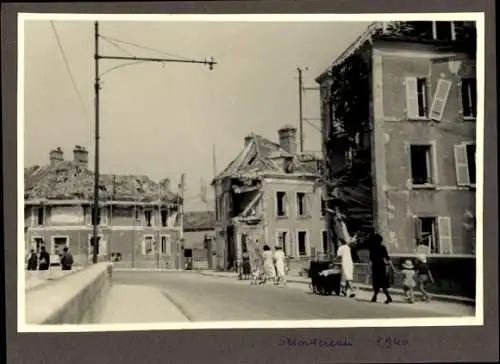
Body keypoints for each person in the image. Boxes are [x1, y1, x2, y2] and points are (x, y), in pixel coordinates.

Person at [368, 233, 393, 304]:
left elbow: (371, 259)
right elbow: (387, 257)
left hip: (375, 266)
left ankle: (376, 297)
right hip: (382, 266)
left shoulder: (372, 248)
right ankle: (387, 297)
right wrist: (389, 263)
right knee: (383, 282)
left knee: (376, 283)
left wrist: (369, 270)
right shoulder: (383, 247)